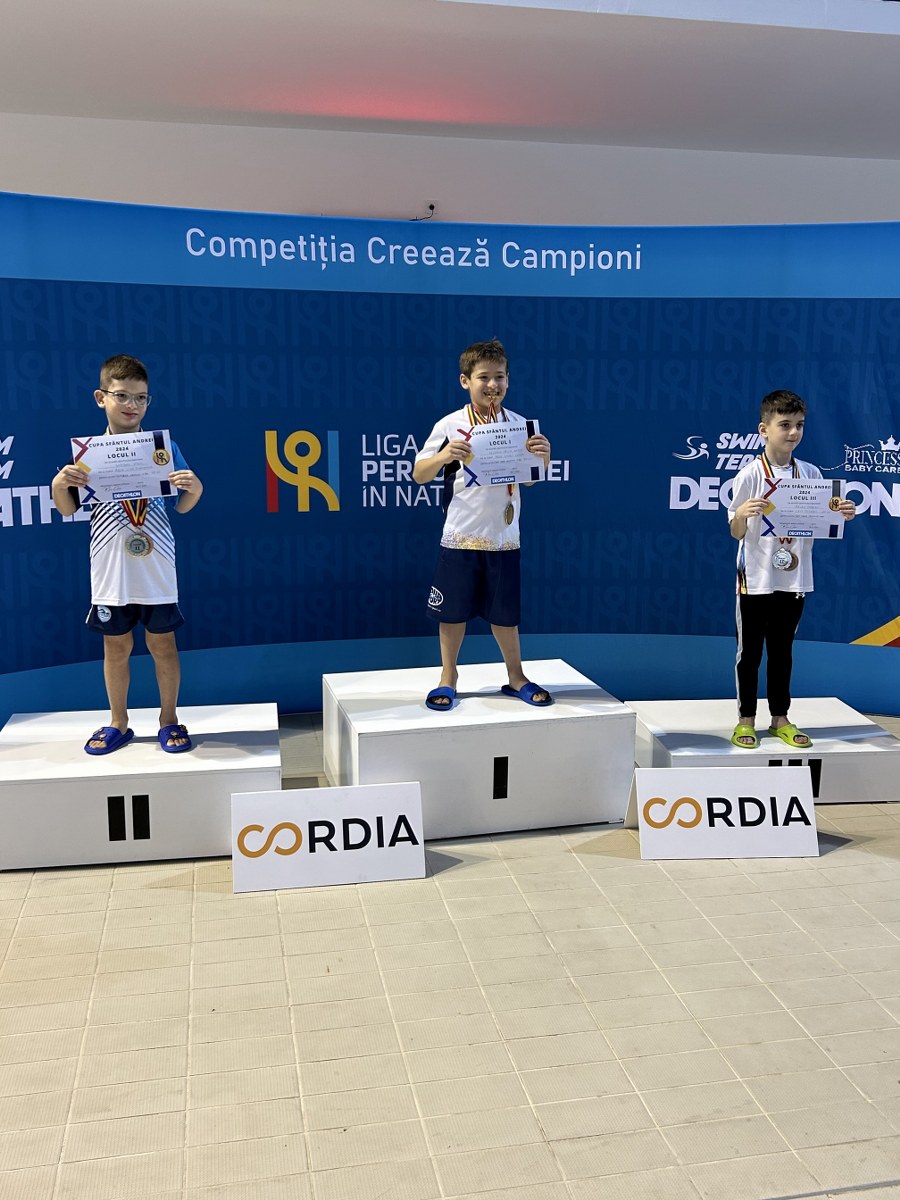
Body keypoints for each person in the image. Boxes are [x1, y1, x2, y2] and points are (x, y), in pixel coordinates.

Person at [51, 355, 203, 755]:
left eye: (141, 397)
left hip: (155, 567)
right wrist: (59, 484)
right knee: (115, 648)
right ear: (101, 397)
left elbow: (184, 506)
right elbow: (67, 509)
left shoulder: (162, 449)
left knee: (163, 645)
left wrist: (195, 489)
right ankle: (118, 721)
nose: (132, 404)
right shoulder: (87, 454)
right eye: (121, 395)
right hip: (110, 570)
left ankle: (169, 719)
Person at [412, 338, 552, 711]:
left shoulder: (520, 425)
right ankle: (448, 677)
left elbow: (529, 481)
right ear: (465, 381)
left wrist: (543, 458)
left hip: (504, 537)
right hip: (461, 536)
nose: (493, 385)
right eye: (484, 377)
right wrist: (443, 456)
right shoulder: (451, 424)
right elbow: (419, 474)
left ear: (508, 380)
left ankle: (516, 676)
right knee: (451, 614)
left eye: (500, 376)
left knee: (505, 615)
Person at [727, 389, 855, 749]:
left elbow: (825, 519)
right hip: (755, 578)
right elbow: (735, 531)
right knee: (750, 653)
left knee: (783, 651)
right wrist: (741, 515)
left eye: (799, 424)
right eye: (784, 424)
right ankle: (745, 720)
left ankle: (780, 718)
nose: (793, 432)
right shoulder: (750, 475)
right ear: (764, 429)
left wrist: (842, 513)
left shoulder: (811, 473)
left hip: (794, 577)